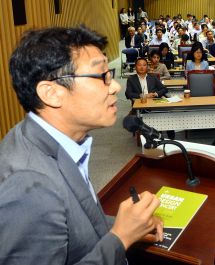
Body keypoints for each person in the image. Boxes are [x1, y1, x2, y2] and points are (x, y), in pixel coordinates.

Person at [1, 26, 163, 265]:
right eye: (102, 77)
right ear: (52, 93)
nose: (116, 86)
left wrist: (129, 225)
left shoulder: (53, 140)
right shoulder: (29, 185)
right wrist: (120, 237)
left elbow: (73, 228)